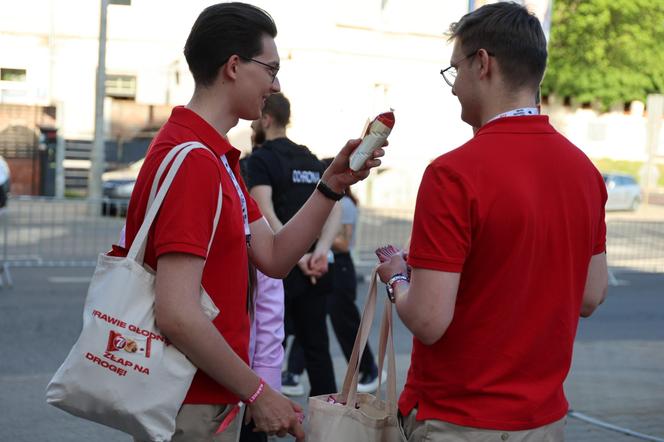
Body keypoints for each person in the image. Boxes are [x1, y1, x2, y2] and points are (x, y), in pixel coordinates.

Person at [119, 3, 384, 441]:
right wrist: (259, 391)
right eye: (271, 69)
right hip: (191, 400)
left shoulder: (216, 156)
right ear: (234, 66)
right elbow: (178, 313)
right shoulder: (195, 161)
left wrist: (332, 183)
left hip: (208, 397)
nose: (275, 85)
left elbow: (274, 257)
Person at [375, 3, 608, 441]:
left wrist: (398, 279)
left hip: (459, 419)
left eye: (454, 71)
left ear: (482, 63)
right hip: (543, 420)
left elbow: (427, 319)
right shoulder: (585, 172)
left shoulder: (453, 174)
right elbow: (592, 295)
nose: (453, 88)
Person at [246, 92, 341, 398]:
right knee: (317, 349)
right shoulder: (310, 158)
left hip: (279, 271)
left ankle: (257, 421)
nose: (251, 130)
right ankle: (329, 427)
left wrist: (293, 256)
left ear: (266, 119)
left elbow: (264, 210)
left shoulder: (259, 160)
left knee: (265, 346)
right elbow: (333, 203)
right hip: (313, 268)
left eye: (254, 124)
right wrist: (321, 252)